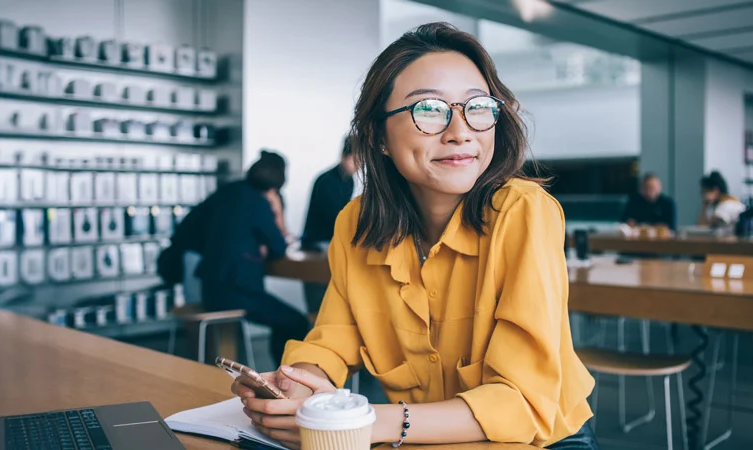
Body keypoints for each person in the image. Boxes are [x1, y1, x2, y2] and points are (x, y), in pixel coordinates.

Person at [233, 23, 596, 449]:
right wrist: (299, 386)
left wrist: (362, 423)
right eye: (428, 109)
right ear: (376, 136)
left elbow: (521, 403)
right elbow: (332, 337)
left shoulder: (523, 212)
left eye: (477, 107)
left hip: (542, 440)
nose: (460, 131)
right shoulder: (356, 222)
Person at [193, 150, 308, 363]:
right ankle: (285, 377)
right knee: (296, 322)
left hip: (209, 288)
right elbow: (279, 248)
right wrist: (278, 214)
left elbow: (188, 229)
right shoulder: (260, 203)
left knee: (286, 319)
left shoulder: (226, 192)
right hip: (236, 293)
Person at [300, 136, 360, 315]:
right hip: (317, 244)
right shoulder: (326, 180)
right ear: (343, 156)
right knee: (319, 306)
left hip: (330, 243)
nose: (359, 166)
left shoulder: (348, 181)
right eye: (356, 160)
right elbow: (336, 218)